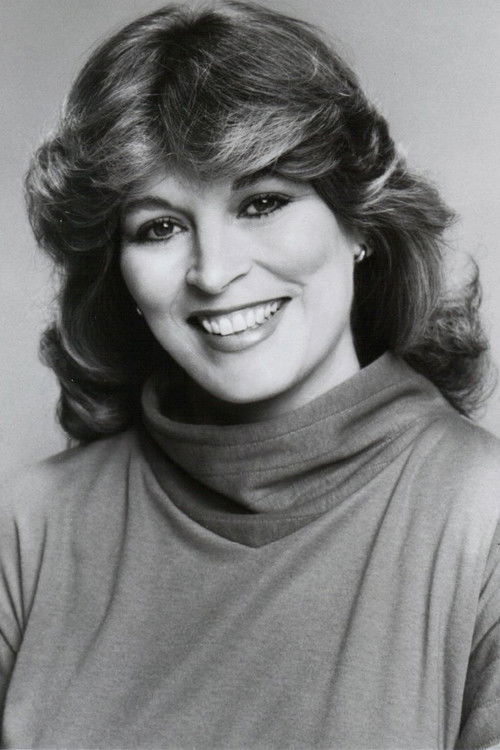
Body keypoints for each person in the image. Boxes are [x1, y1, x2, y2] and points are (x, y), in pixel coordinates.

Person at [1, 1, 499, 747]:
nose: (214, 271)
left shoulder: (482, 517)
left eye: (262, 202)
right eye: (160, 227)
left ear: (360, 220)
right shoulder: (31, 524)